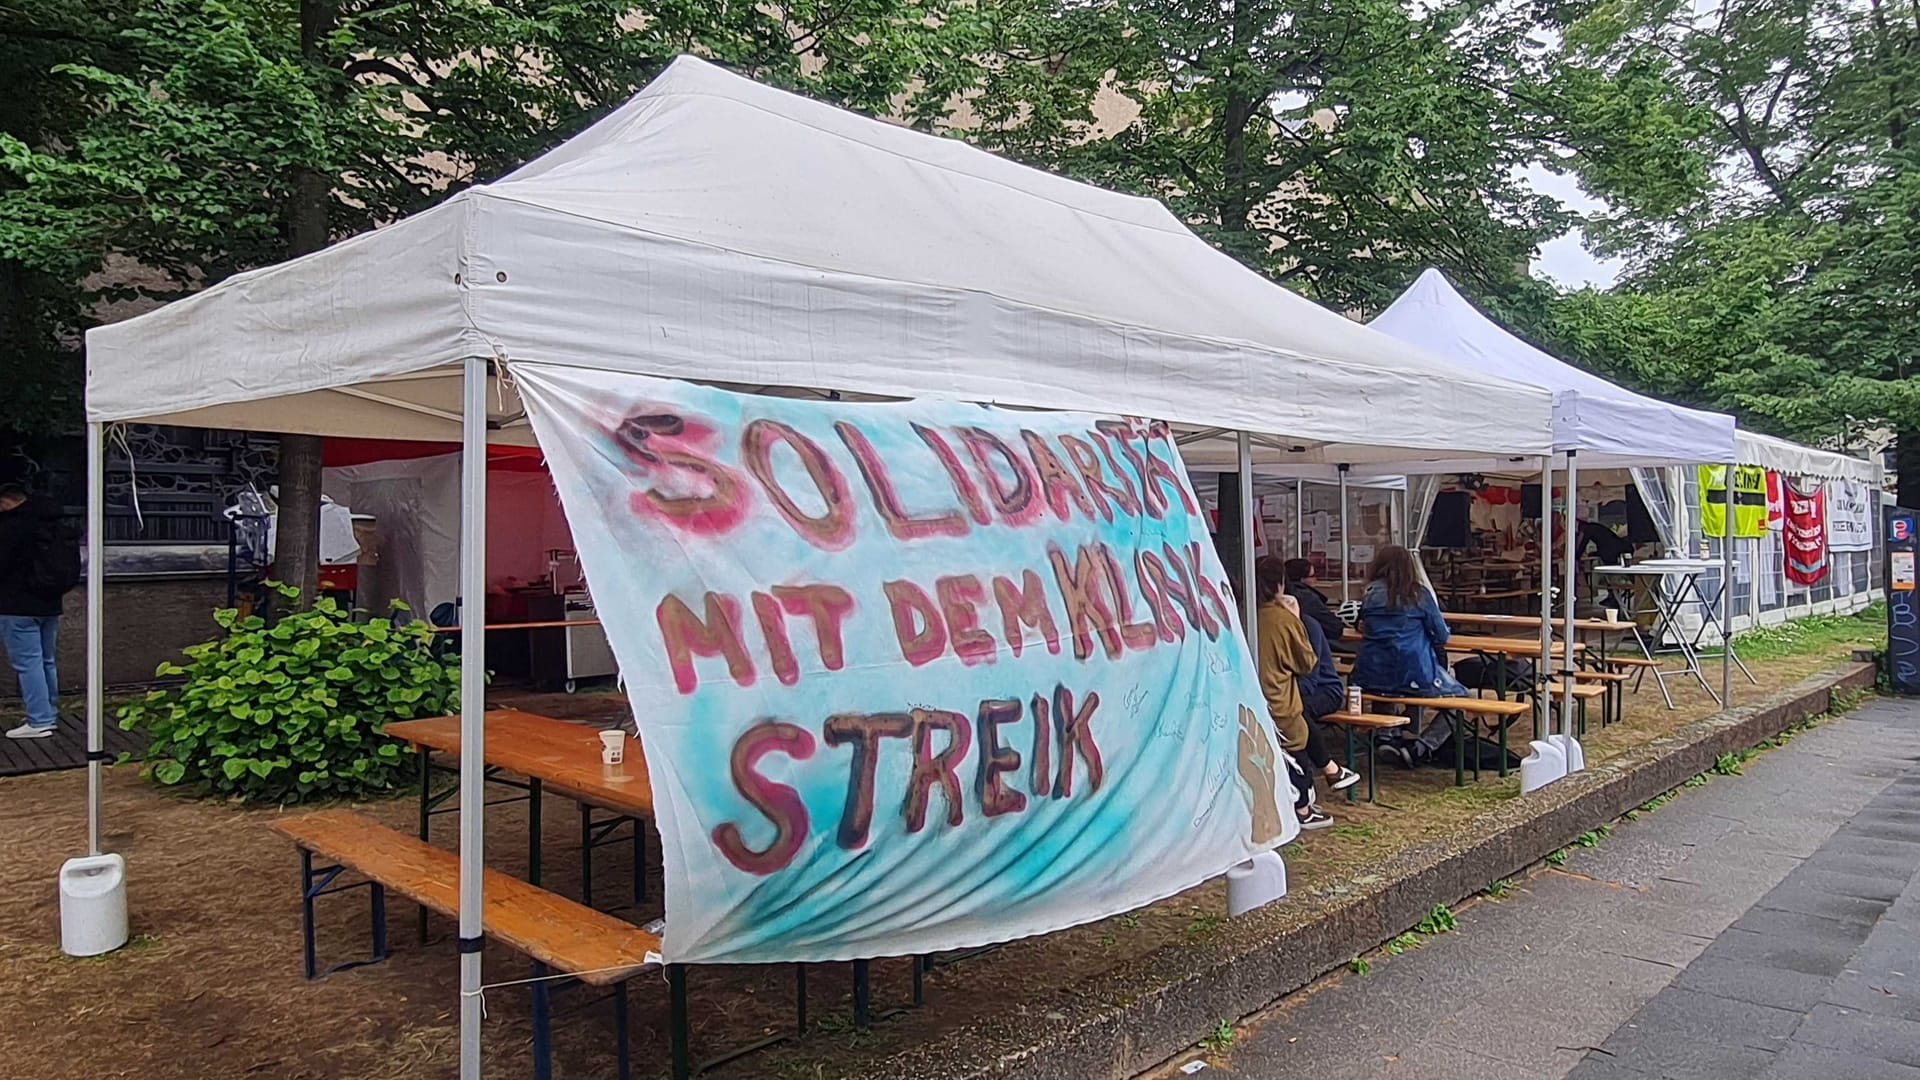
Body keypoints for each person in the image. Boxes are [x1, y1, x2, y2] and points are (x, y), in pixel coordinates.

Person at [1254, 557, 1359, 829]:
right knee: (1296, 746)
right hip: (1280, 696)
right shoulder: (1283, 619)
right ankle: (1302, 809)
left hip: (1252, 696)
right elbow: (1306, 662)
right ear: (1280, 584)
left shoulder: (1245, 614)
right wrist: (1295, 620)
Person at [1349, 545, 1465, 768]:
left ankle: (1387, 735)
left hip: (1370, 673)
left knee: (1386, 686)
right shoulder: (1418, 594)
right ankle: (1422, 746)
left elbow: (1362, 624)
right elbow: (1442, 635)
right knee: (1461, 702)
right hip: (1414, 672)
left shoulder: (1370, 594)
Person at [0, 484, 75, 739]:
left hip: (16, 605)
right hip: (50, 602)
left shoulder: (13, 527)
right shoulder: (52, 523)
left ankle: (39, 720)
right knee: (46, 660)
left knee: (27, 663)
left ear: (8, 502)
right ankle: (47, 711)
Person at [1282, 557, 1351, 650]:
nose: (1316, 579)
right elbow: (1335, 627)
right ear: (1302, 579)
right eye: (1313, 575)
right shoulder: (1307, 598)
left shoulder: (1283, 596)